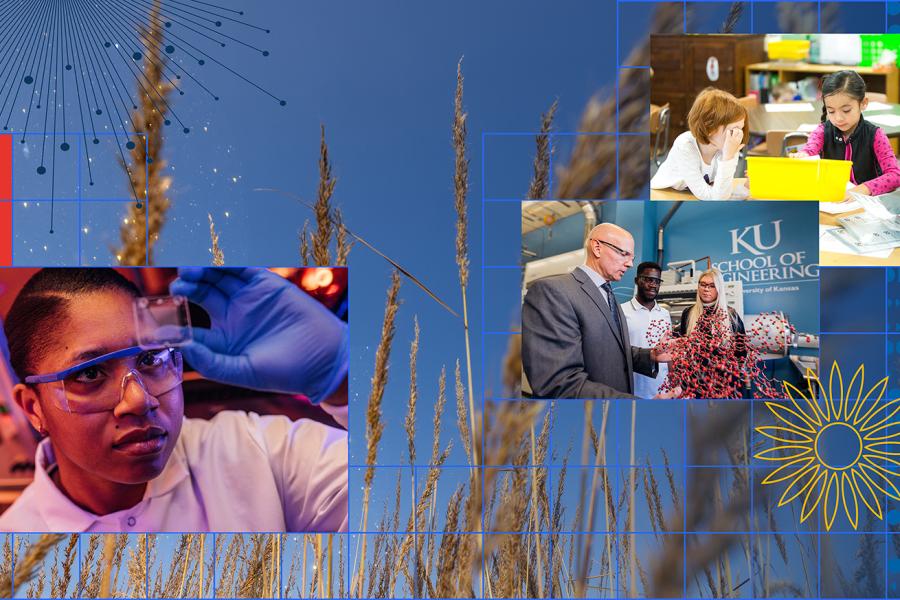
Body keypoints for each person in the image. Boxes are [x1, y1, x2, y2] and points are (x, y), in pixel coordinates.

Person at [0, 267, 348, 532]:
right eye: (90, 374)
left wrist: (344, 377)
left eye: (150, 359)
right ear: (33, 408)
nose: (139, 400)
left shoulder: (259, 456)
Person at [522, 223, 676, 399]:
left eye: (632, 257)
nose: (630, 263)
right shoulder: (553, 292)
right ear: (597, 247)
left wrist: (650, 355)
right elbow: (559, 383)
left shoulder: (609, 295)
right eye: (624, 253)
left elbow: (611, 350)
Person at [792, 70, 900, 198]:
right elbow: (810, 151)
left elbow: (895, 175)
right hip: (833, 200)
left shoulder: (875, 135)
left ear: (863, 103)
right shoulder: (822, 131)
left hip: (867, 204)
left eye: (846, 110)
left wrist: (864, 189)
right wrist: (803, 156)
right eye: (831, 111)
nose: (838, 118)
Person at [650, 87, 749, 200]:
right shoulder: (685, 145)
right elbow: (716, 198)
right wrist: (728, 158)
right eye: (733, 130)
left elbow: (722, 192)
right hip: (662, 197)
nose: (738, 135)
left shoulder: (727, 146)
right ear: (710, 128)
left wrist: (746, 187)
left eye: (741, 129)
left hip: (687, 197)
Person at [678, 268, 747, 398]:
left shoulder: (731, 316)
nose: (706, 289)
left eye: (712, 286)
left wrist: (727, 375)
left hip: (725, 384)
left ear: (719, 289)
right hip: (696, 383)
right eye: (703, 284)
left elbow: (741, 352)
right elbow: (683, 348)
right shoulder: (688, 313)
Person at [621, 262, 672, 398]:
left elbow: (669, 352)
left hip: (662, 389)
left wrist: (673, 382)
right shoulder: (622, 311)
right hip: (634, 389)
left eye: (657, 281)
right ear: (637, 281)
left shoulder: (665, 313)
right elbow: (617, 351)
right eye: (648, 280)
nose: (653, 285)